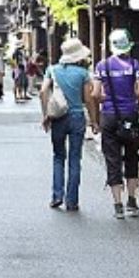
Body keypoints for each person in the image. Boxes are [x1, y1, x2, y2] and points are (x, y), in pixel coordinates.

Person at [95, 28, 139, 219]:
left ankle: (117, 205)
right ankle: (132, 202)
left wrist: (104, 100)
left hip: (109, 117)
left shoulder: (102, 66)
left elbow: (95, 94)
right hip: (130, 116)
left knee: (112, 159)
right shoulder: (135, 64)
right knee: (132, 157)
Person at [39, 38, 97, 211]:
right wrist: (94, 120)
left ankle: (57, 195)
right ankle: (72, 201)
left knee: (58, 156)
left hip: (58, 117)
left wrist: (45, 114)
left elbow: (43, 91)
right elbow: (88, 98)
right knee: (74, 158)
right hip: (77, 116)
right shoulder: (82, 73)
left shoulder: (52, 70)